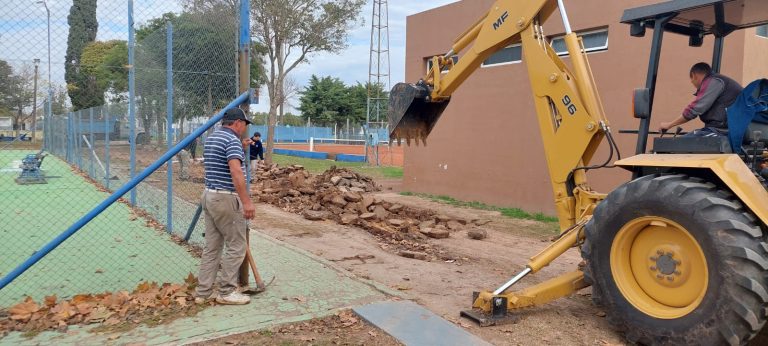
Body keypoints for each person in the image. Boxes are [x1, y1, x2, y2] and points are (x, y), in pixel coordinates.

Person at [195, 107, 255, 305]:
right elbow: (236, 172)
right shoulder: (231, 141)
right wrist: (246, 202)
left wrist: (241, 147)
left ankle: (202, 292)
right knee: (237, 246)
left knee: (212, 247)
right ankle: (226, 291)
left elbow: (221, 159)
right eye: (244, 125)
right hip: (226, 199)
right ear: (237, 122)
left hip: (209, 195)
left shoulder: (213, 138)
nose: (244, 129)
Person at [659, 62, 742, 137]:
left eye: (691, 79)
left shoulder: (714, 81)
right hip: (727, 128)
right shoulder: (721, 82)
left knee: (679, 144)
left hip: (723, 130)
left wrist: (669, 124)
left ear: (694, 75)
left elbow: (695, 109)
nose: (691, 82)